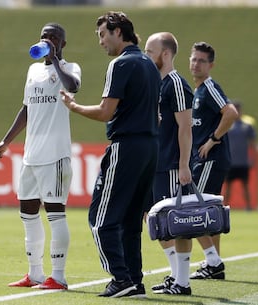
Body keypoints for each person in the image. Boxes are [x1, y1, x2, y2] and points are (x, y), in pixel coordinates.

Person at [60, 11, 161, 298]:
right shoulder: (149, 65)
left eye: (103, 34)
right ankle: (135, 280)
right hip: (150, 146)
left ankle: (120, 278)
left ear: (119, 32)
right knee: (131, 220)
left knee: (101, 218)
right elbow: (157, 114)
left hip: (127, 146)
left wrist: (74, 107)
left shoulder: (121, 63)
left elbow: (106, 111)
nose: (101, 41)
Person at [0, 23, 81, 290]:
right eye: (44, 36)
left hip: (55, 155)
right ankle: (35, 274)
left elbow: (73, 86)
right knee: (28, 213)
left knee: (55, 213)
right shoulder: (33, 70)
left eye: (54, 37)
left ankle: (59, 276)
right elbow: (27, 108)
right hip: (31, 156)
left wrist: (55, 60)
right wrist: (6, 142)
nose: (48, 40)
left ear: (63, 43)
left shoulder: (71, 68)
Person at [144, 32, 194, 295]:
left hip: (172, 164)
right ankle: (176, 275)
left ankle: (183, 281)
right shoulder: (155, 83)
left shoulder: (176, 83)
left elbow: (185, 127)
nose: (146, 56)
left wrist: (184, 164)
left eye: (150, 52)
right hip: (154, 164)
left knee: (179, 222)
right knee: (155, 221)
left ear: (165, 54)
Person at [189, 41, 238, 280]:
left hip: (210, 159)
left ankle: (213, 262)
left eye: (202, 61)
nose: (196, 64)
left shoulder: (209, 87)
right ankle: (213, 263)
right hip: (207, 160)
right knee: (209, 210)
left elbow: (230, 113)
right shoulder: (198, 90)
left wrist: (212, 140)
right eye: (194, 59)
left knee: (192, 207)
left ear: (211, 65)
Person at [225, 101, 257, 210]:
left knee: (245, 186)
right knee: (228, 187)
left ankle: (249, 208)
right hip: (230, 161)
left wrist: (252, 158)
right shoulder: (227, 125)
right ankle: (224, 207)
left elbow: (253, 144)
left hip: (243, 161)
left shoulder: (246, 126)